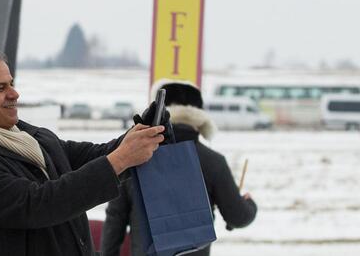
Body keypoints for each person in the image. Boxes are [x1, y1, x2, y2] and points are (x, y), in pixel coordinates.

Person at [0, 52, 166, 256]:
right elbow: (41, 204)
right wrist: (122, 157)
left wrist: (141, 134)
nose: (14, 93)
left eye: (11, 84)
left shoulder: (31, 137)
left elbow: (93, 156)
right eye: (0, 88)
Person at [101, 79, 258, 256]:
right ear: (199, 115)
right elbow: (237, 217)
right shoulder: (213, 161)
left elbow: (115, 220)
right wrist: (249, 203)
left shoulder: (136, 159)